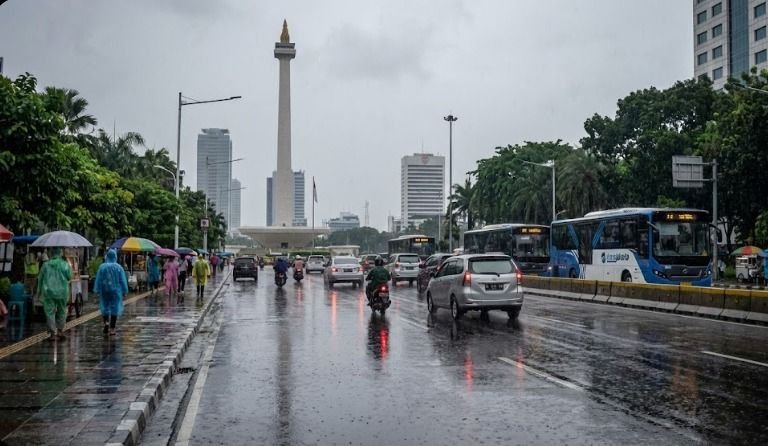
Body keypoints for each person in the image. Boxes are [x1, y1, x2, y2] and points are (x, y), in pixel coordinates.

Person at [37, 247, 72, 340]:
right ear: (60, 253)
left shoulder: (45, 265)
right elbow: (69, 277)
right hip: (62, 292)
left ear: (51, 253)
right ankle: (60, 331)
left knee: (49, 312)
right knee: (62, 311)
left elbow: (40, 279)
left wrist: (38, 292)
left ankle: (52, 333)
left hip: (48, 292)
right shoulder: (65, 264)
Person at [94, 249, 129, 336]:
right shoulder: (118, 267)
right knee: (114, 309)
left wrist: (97, 290)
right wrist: (125, 290)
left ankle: (106, 322)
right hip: (115, 291)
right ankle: (112, 329)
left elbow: (98, 279)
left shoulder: (102, 267)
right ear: (115, 256)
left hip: (104, 290)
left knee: (105, 307)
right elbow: (122, 280)